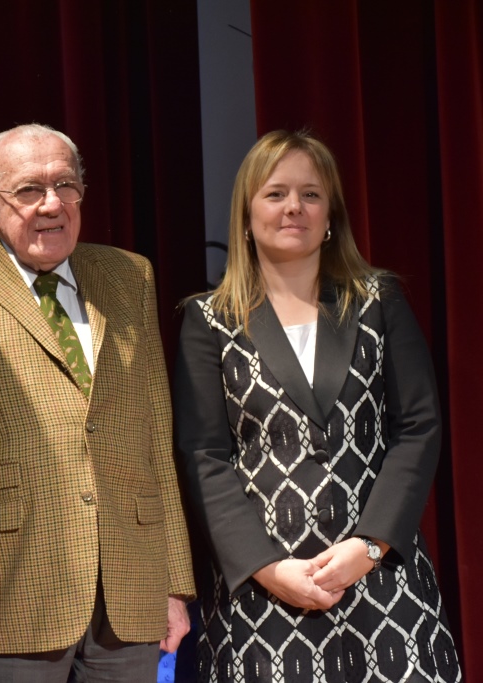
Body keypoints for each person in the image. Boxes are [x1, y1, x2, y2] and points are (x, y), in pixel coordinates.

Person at [173, 130, 462, 681]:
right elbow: (203, 455)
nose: (293, 208)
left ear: (331, 215)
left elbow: (418, 427)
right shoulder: (206, 320)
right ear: (247, 212)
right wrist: (265, 567)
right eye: (276, 193)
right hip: (265, 594)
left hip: (381, 579)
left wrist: (370, 546)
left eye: (311, 194)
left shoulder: (378, 299)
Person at [0, 123, 194, 682]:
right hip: (5, 592)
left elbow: (154, 429)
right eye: (30, 190)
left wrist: (173, 580)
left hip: (129, 590)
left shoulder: (129, 275)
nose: (52, 204)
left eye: (66, 186)